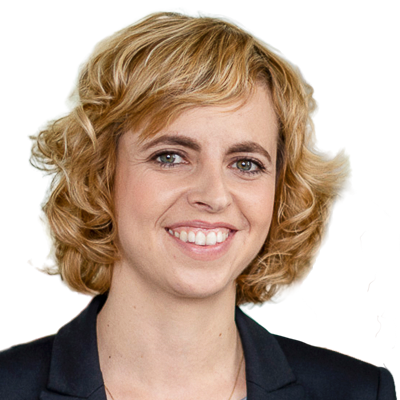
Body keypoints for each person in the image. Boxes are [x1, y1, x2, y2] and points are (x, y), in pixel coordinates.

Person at [0, 10, 396, 400]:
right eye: (170, 156)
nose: (214, 195)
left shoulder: (357, 392)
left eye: (246, 164)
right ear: (101, 174)